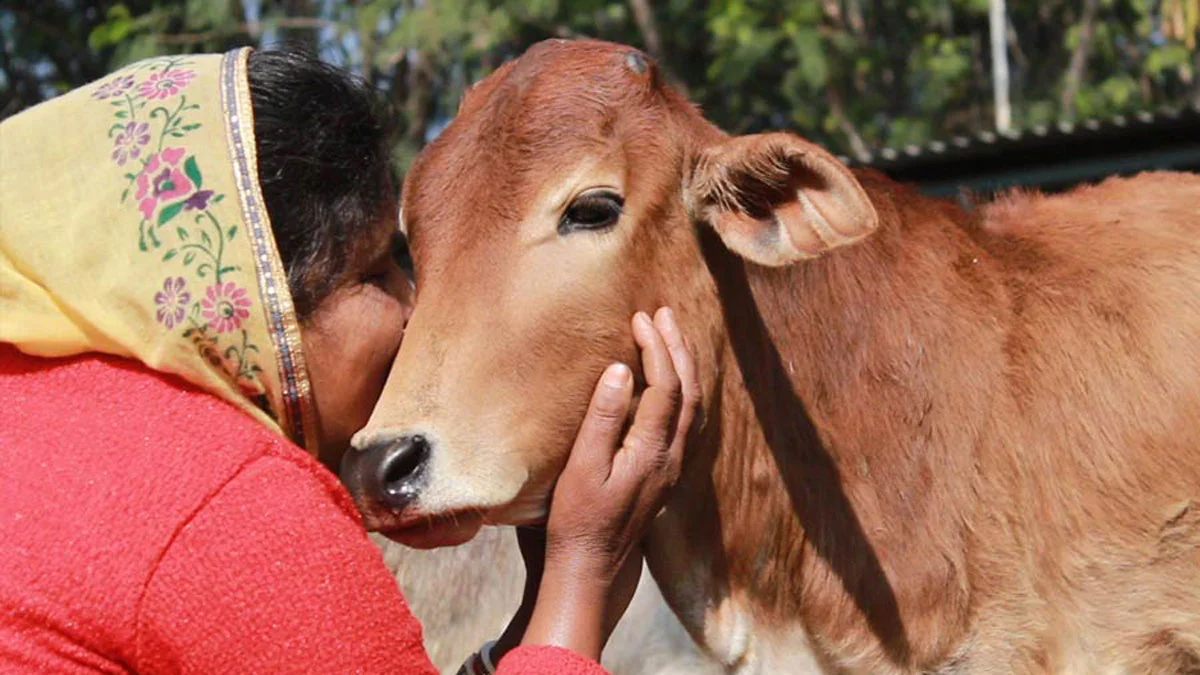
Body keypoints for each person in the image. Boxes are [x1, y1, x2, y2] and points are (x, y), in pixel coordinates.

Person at [0, 46, 697, 674]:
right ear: (249, 303)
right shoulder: (232, 505)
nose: (411, 314)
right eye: (377, 271)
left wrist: (525, 634)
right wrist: (582, 574)